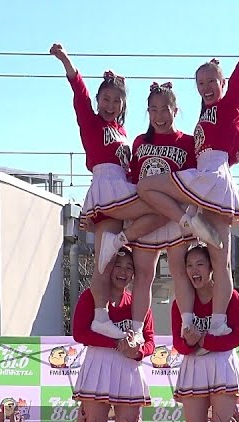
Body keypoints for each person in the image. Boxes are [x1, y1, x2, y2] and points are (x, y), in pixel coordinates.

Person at [136, 13, 239, 338]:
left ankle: (219, 321)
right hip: (207, 179)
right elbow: (224, 140)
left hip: (210, 179)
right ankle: (215, 319)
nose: (205, 88)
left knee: (221, 260)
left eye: (211, 82)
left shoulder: (231, 101)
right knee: (220, 259)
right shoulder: (207, 113)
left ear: (223, 82)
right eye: (200, 84)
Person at [51, 43, 155, 343]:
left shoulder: (122, 132)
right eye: (105, 99)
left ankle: (118, 245)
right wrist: (65, 60)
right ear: (98, 100)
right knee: (105, 260)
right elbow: (78, 93)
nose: (110, 104)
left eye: (116, 100)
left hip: (122, 186)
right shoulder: (91, 122)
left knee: (106, 261)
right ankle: (99, 316)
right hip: (107, 187)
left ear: (123, 105)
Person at [115, 81, 199, 346]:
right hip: (146, 217)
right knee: (144, 275)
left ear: (176, 110)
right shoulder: (140, 141)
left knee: (179, 271)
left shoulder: (187, 142)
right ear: (147, 112)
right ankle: (137, 330)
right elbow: (133, 177)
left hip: (175, 215)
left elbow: (194, 182)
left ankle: (188, 323)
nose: (159, 116)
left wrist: (192, 212)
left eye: (165, 109)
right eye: (153, 110)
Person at [72, 246, 155, 422]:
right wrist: (115, 344)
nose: (123, 272)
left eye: (129, 267)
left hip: (128, 369)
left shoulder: (139, 300)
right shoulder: (90, 296)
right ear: (107, 268)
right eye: (118, 266)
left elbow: (150, 341)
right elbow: (79, 333)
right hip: (98, 366)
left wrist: (138, 352)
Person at [171, 244, 239, 422]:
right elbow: (178, 343)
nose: (194, 270)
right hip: (194, 366)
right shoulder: (180, 300)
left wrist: (204, 340)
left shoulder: (230, 296)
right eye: (189, 265)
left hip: (222, 364)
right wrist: (190, 342)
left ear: (212, 267)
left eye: (200, 264)